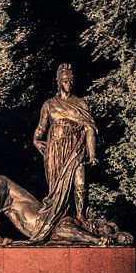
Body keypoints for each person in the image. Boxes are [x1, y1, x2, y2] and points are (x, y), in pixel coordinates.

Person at [30, 63, 98, 243]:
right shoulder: (49, 104)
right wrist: (37, 142)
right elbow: (40, 129)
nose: (69, 84)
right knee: (58, 188)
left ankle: (81, 216)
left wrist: (92, 153)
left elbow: (90, 128)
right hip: (55, 151)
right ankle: (62, 218)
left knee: (80, 182)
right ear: (59, 82)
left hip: (75, 149)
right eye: (66, 81)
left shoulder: (80, 103)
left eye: (71, 81)